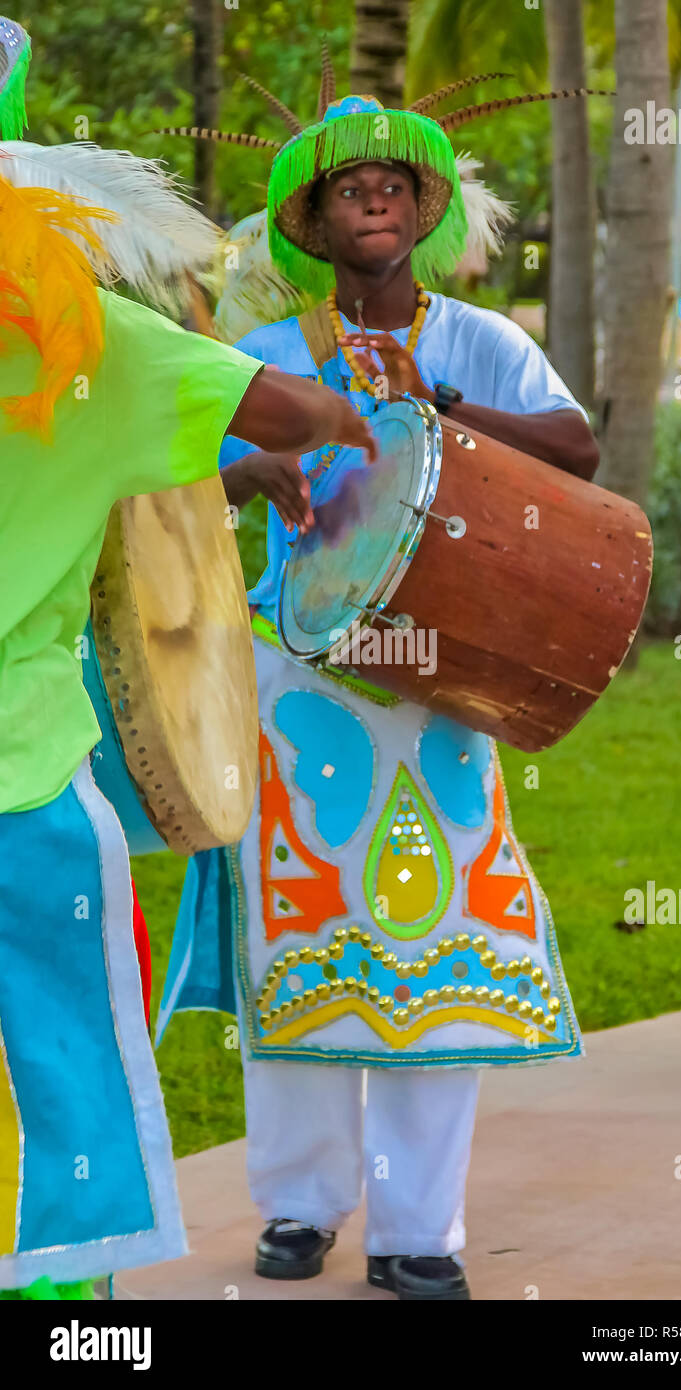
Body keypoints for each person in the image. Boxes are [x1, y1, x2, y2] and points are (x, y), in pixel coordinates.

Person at [157, 67, 602, 1301]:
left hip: (442, 681)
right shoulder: (260, 354)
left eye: (391, 184)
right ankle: (299, 1208)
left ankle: (420, 1232)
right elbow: (183, 468)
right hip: (296, 681)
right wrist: (255, 478)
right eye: (346, 187)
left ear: (420, 210)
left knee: (433, 938)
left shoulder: (477, 340)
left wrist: (446, 410)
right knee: (295, 925)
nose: (370, 201)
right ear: (312, 222)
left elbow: (577, 446)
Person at [0, 17, 374, 1301]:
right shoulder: (83, 337)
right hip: (23, 782)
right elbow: (282, 406)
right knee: (57, 1072)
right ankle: (61, 1307)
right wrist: (325, 420)